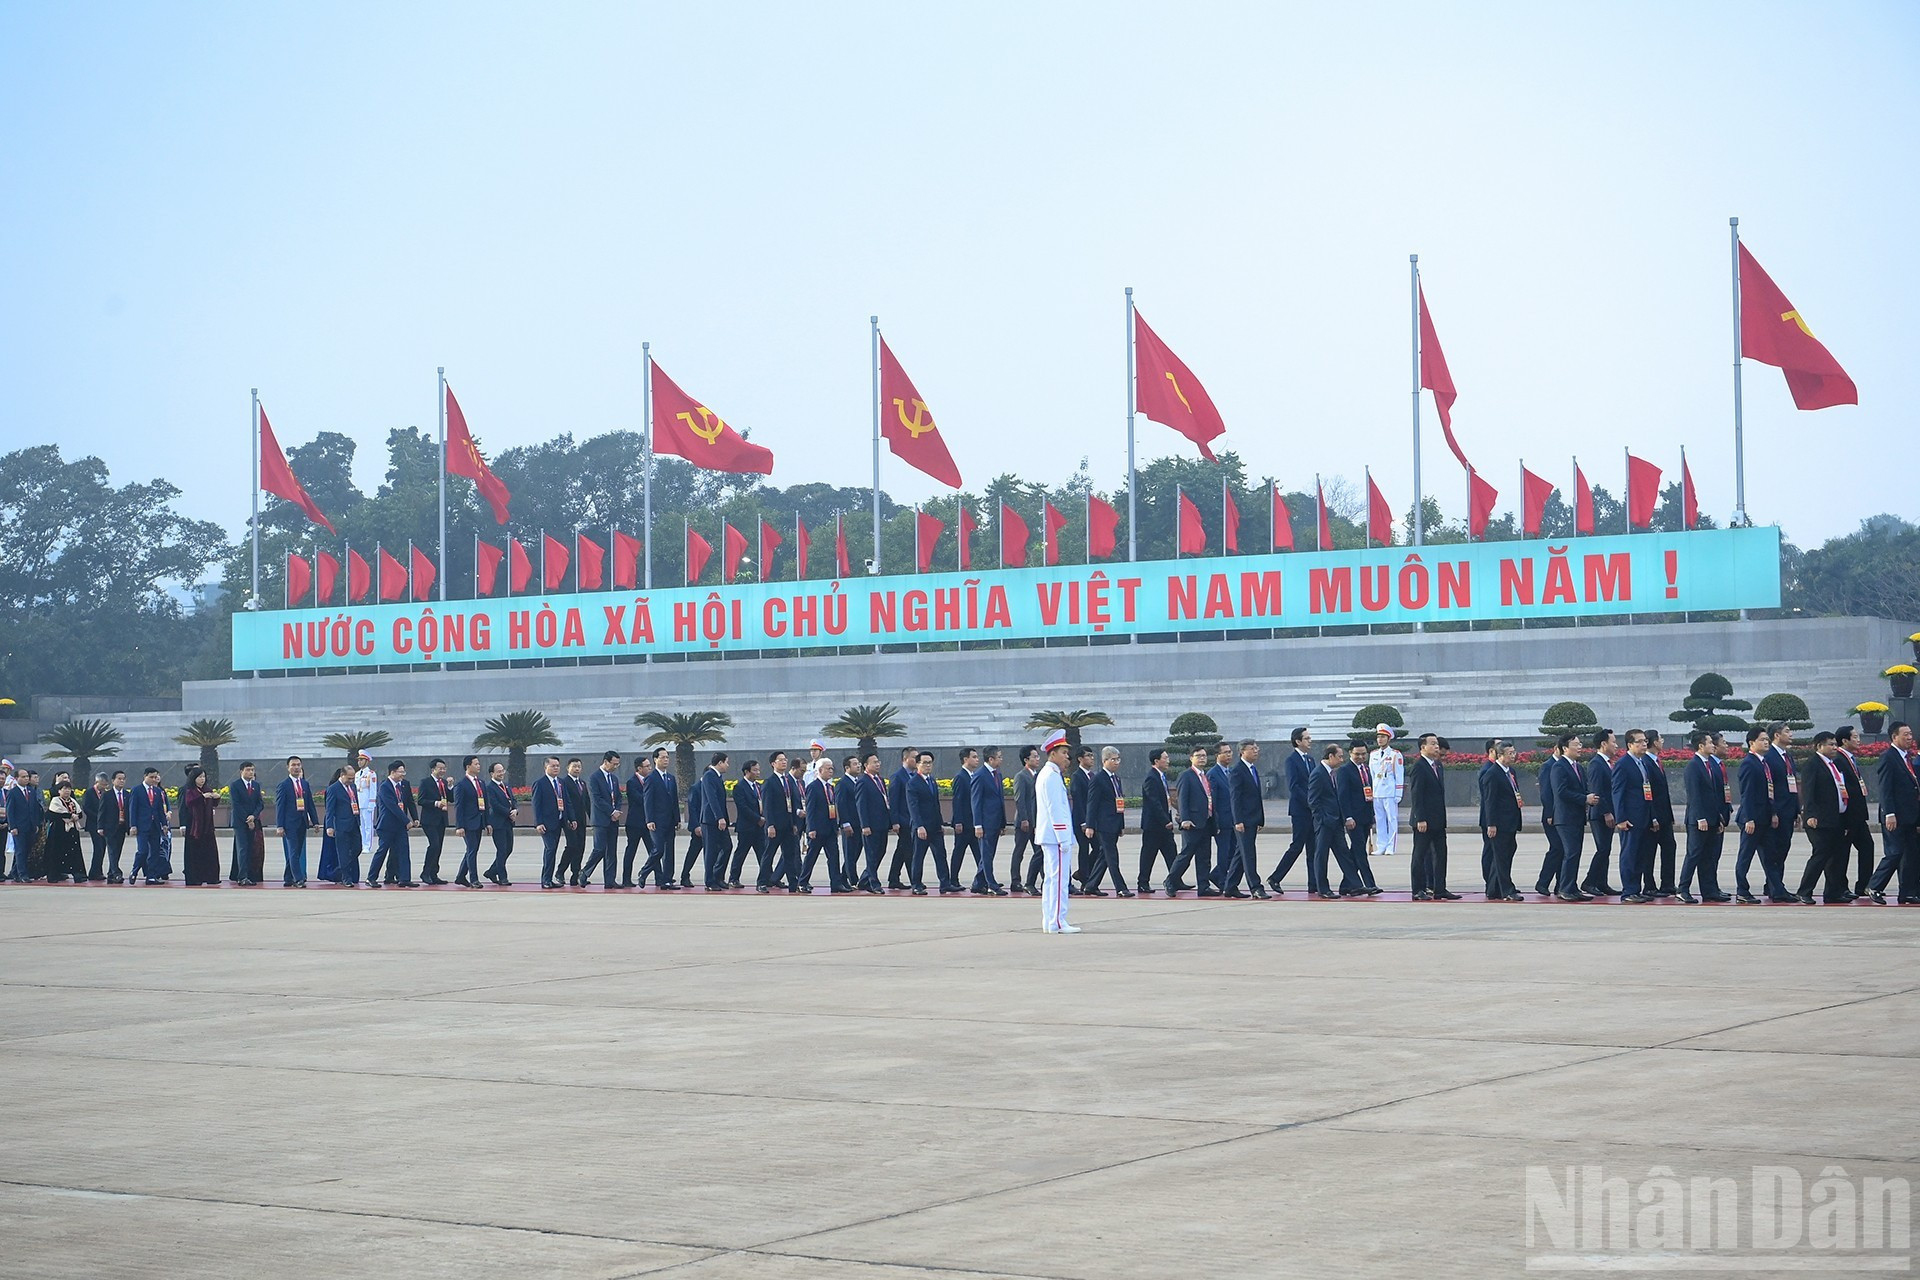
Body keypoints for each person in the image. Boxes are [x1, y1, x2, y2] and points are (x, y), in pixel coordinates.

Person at [1796, 731, 1851, 904]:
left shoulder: (1833, 764)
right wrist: (1810, 814)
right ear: (1819, 746)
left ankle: (1833, 893)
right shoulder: (1813, 764)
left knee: (1836, 856)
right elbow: (1809, 791)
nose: (1835, 747)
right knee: (1820, 855)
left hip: (1835, 818)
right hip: (1819, 820)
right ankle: (1804, 890)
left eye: (1835, 744)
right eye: (1831, 744)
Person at [1866, 721, 1918, 904]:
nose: (1910, 737)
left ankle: (1908, 892)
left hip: (1910, 816)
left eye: (1910, 734)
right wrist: (1889, 814)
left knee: (1911, 854)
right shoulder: (1889, 757)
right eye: (1905, 734)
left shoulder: (1907, 757)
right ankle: (1874, 886)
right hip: (1895, 816)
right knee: (1895, 852)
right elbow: (1885, 788)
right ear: (1894, 737)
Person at [1679, 729, 1732, 903]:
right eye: (1709, 743)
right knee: (1694, 854)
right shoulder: (1693, 766)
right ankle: (1683, 889)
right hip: (1699, 820)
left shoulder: (1711, 766)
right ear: (1701, 746)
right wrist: (1700, 817)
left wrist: (1719, 818)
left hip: (1713, 819)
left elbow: (1715, 795)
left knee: (1709, 856)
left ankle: (1709, 890)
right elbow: (1694, 795)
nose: (1712, 745)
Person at [1033, 731, 1077, 932]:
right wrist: (1063, 837)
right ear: (1052, 754)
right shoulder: (1050, 776)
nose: (1067, 757)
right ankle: (1057, 921)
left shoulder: (1048, 774)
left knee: (1052, 879)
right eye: (1064, 753)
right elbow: (1055, 809)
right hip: (1055, 836)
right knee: (1058, 881)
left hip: (1051, 835)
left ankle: (1051, 920)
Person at [1407, 733, 1454, 900]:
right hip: (1423, 821)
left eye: (1436, 744)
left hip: (1438, 820)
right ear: (1422, 747)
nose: (1436, 746)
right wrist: (1420, 818)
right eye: (1432, 744)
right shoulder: (1419, 767)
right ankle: (1418, 890)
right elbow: (1417, 795)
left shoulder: (1437, 765)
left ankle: (1440, 888)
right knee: (1419, 855)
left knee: (1441, 854)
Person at [1731, 726, 1776, 903]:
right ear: (1752, 743)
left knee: (1770, 857)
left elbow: (1768, 792)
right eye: (1763, 739)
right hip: (1752, 819)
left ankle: (1777, 889)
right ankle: (1742, 891)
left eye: (1767, 740)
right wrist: (1749, 818)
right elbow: (1747, 794)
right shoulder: (1749, 763)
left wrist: (1773, 813)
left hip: (1764, 818)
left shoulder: (1763, 763)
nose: (1767, 742)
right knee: (1745, 856)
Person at [1610, 730, 1655, 904]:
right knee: (1629, 854)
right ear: (1630, 745)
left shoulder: (1642, 763)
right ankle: (1628, 891)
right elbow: (1617, 792)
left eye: (1645, 741)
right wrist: (1620, 818)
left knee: (1640, 855)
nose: (1644, 744)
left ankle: (1636, 889)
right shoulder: (1623, 764)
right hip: (1630, 818)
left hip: (1643, 816)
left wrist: (1652, 816)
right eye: (1640, 742)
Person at [1833, 726, 1876, 897]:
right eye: (1855, 737)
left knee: (1867, 846)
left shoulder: (1850, 758)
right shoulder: (1838, 759)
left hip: (1858, 816)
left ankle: (1863, 885)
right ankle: (1841, 887)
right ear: (1845, 740)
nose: (1859, 740)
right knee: (1843, 852)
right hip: (1847, 816)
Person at [1169, 745, 1216, 896]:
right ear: (1191, 758)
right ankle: (1170, 881)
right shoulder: (1186, 775)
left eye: (1204, 755)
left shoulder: (1205, 775)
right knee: (1186, 855)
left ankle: (1204, 887)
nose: (1202, 758)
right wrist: (1185, 819)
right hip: (1192, 823)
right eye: (1198, 755)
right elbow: (1182, 799)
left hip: (1206, 821)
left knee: (1204, 856)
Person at [1335, 743, 1381, 895]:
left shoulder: (1366, 769)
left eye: (1363, 754)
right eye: (1357, 754)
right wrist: (1347, 817)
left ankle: (1346, 885)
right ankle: (1370, 884)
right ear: (1350, 753)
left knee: (1355, 851)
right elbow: (1343, 796)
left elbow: (1368, 793)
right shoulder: (1344, 771)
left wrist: (1372, 814)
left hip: (1365, 817)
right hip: (1353, 819)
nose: (1361, 757)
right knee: (1360, 852)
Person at [1271, 727, 1314, 891]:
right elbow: (1294, 786)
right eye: (1307, 738)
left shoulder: (1310, 760)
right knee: (1297, 846)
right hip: (1300, 810)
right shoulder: (1291, 760)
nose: (1310, 741)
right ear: (1298, 741)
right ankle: (1276, 877)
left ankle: (1314, 883)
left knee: (1314, 848)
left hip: (1312, 810)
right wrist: (1309, 802)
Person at [1478, 742, 1523, 901]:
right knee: (1501, 856)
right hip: (1499, 822)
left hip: (1510, 820)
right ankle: (1507, 890)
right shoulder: (1492, 774)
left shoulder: (1510, 772)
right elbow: (1489, 801)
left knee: (1508, 851)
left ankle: (1493, 888)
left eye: (1513, 752)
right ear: (1500, 755)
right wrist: (1491, 824)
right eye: (1509, 753)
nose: (1513, 755)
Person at [1762, 723, 1801, 903]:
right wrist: (1773, 812)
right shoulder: (1769, 757)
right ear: (1777, 735)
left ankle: (1773, 884)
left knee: (1783, 850)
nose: (1791, 734)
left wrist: (1797, 809)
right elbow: (1769, 787)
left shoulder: (1787, 756)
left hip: (1789, 811)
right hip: (1777, 812)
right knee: (1774, 852)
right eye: (1787, 731)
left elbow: (1792, 785)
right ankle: (1777, 889)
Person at [1228, 739, 1270, 899]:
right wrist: (1238, 820)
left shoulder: (1252, 769)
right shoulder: (1237, 771)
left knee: (1241, 853)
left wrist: (1260, 819)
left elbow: (1256, 797)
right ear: (1242, 752)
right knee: (1249, 854)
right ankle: (1255, 887)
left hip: (1253, 819)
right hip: (1243, 821)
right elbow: (1235, 798)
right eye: (1252, 749)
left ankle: (1230, 886)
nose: (1256, 751)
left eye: (1257, 748)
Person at [1581, 730, 1620, 897]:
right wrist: (1606, 812)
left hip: (1608, 812)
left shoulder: (1608, 763)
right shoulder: (1596, 764)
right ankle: (1589, 882)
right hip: (1600, 814)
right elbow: (1597, 791)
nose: (1616, 745)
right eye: (1613, 742)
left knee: (1606, 849)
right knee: (1603, 849)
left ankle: (1602, 883)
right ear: (1604, 744)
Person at [1305, 744, 1347, 899]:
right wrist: (1322, 818)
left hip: (1335, 821)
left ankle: (1354, 884)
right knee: (1321, 855)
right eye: (1340, 756)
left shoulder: (1331, 773)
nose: (1342, 760)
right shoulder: (1318, 773)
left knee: (1344, 853)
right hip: (1325, 822)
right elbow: (1313, 800)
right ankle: (1322, 888)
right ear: (1330, 756)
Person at [906, 751, 949, 895]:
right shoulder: (913, 783)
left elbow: (936, 804)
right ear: (917, 764)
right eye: (925, 762)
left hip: (935, 826)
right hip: (922, 827)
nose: (928, 765)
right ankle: (916, 884)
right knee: (918, 856)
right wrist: (919, 826)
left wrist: (940, 823)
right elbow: (913, 807)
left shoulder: (932, 781)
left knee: (941, 855)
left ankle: (945, 884)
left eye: (930, 762)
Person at [801, 756, 846, 893]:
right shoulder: (813, 787)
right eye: (828, 768)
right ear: (820, 770)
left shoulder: (830, 787)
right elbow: (810, 809)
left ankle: (836, 883)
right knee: (811, 857)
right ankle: (802, 882)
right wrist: (811, 828)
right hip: (818, 829)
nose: (831, 771)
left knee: (834, 857)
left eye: (832, 768)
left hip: (830, 828)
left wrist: (836, 825)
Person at [369, 759, 416, 887]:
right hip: (387, 825)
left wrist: (413, 818)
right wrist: (407, 821)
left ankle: (405, 878)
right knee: (382, 851)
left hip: (400, 826)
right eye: (401, 772)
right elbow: (392, 806)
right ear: (393, 772)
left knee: (403, 851)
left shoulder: (403, 785)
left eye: (404, 772)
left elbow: (408, 803)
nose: (403, 774)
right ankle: (371, 877)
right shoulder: (385, 786)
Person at [1642, 730, 1678, 898]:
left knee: (1670, 847)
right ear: (1655, 742)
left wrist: (1669, 816)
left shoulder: (1656, 761)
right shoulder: (1645, 763)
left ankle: (1668, 884)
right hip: (1653, 816)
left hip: (1664, 816)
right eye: (1661, 738)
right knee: (1649, 852)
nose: (1663, 741)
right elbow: (1648, 794)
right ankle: (1649, 885)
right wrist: (1653, 816)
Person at [760, 751, 801, 894]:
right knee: (768, 854)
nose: (784, 762)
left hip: (788, 825)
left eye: (785, 760)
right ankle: (762, 882)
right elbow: (767, 806)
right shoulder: (769, 782)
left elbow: (794, 803)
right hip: (775, 826)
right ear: (773, 764)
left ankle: (793, 884)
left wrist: (795, 823)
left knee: (790, 855)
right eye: (781, 760)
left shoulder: (789, 781)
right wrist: (770, 825)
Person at [581, 751, 623, 889]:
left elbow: (618, 796)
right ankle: (584, 872)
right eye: (614, 764)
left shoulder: (614, 779)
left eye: (618, 764)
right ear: (606, 762)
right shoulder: (594, 777)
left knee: (611, 851)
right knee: (599, 849)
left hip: (613, 819)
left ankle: (610, 880)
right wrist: (611, 811)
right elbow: (596, 799)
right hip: (600, 820)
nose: (616, 766)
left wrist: (616, 810)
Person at [1137, 749, 1176, 895]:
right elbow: (1154, 802)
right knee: (1149, 854)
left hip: (1164, 824)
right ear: (1156, 761)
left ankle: (1175, 879)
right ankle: (1142, 883)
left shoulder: (1161, 776)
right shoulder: (1151, 778)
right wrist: (1165, 820)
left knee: (1171, 853)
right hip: (1154, 825)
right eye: (1165, 758)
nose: (1168, 760)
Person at [274, 757, 318, 887]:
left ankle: (288, 877)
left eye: (298, 765)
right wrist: (280, 825)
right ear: (288, 767)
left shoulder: (304, 784)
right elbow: (280, 807)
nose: (296, 767)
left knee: (297, 852)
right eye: (293, 765)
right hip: (289, 824)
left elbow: (310, 803)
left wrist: (315, 821)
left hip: (302, 822)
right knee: (293, 851)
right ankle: (298, 878)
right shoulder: (284, 785)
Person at [643, 748, 682, 890]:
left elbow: (674, 800)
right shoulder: (651, 778)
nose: (666, 760)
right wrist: (649, 820)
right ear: (655, 759)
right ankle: (644, 872)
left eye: (667, 757)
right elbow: (648, 801)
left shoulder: (671, 778)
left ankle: (667, 880)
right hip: (657, 821)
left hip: (670, 821)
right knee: (658, 850)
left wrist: (677, 819)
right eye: (663, 757)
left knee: (669, 851)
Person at [971, 747, 1008, 895]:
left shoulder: (997, 774)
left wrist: (1002, 822)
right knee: (986, 855)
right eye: (999, 757)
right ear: (991, 759)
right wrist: (978, 824)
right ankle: (991, 883)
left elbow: (1000, 800)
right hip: (985, 823)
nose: (1001, 759)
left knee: (989, 854)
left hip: (995, 822)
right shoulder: (980, 775)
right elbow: (976, 802)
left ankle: (978, 883)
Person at [177, 766, 221, 886]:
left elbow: (213, 804)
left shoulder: (207, 789)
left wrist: (216, 798)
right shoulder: (189, 790)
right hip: (194, 827)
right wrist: (202, 797)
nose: (202, 779)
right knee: (194, 854)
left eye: (203, 777)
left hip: (207, 826)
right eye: (200, 777)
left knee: (209, 852)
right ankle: (195, 878)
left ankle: (211, 877)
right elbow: (189, 802)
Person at [128, 766, 171, 884]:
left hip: (155, 826)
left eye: (155, 777)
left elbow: (159, 810)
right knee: (143, 851)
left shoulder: (157, 791)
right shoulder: (137, 790)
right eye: (151, 777)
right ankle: (134, 871)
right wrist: (133, 825)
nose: (153, 779)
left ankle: (151, 876)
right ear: (145, 776)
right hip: (142, 826)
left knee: (155, 851)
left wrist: (164, 824)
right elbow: (133, 808)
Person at [729, 759, 767, 890]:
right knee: (741, 853)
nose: (758, 772)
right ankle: (733, 878)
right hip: (747, 827)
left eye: (758, 769)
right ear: (747, 772)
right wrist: (758, 819)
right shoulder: (739, 787)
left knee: (763, 853)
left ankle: (765, 878)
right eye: (755, 770)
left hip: (760, 827)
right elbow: (743, 807)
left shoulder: (758, 786)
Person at [697, 752, 732, 891]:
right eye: (726, 762)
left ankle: (718, 876)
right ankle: (709, 881)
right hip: (711, 821)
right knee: (710, 851)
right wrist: (719, 817)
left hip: (719, 820)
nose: (728, 765)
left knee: (727, 846)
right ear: (720, 763)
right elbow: (712, 799)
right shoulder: (709, 776)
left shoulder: (718, 777)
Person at [947, 748, 981, 891]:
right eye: (974, 757)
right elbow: (958, 801)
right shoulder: (961, 777)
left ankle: (982, 880)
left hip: (973, 823)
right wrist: (958, 821)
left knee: (980, 853)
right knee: (959, 852)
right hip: (964, 824)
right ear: (966, 759)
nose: (977, 759)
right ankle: (953, 880)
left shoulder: (973, 775)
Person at [856, 754, 891, 893]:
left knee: (880, 852)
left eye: (878, 762)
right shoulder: (863, 781)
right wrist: (864, 825)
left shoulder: (880, 780)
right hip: (870, 825)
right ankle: (873, 883)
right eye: (874, 762)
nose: (878, 764)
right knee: (871, 854)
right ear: (866, 765)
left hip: (882, 823)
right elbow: (861, 805)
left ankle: (864, 879)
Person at [1368, 725, 1403, 859]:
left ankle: (1390, 846)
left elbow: (1399, 774)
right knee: (1380, 820)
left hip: (1390, 791)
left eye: (1383, 737)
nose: (1380, 740)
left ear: (1389, 738)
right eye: (1378, 737)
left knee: (1391, 819)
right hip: (1377, 792)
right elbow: (1372, 774)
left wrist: (1398, 793)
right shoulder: (1373, 755)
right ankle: (1381, 845)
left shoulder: (1395, 754)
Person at [1208, 741, 1238, 893]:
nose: (1229, 755)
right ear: (1217, 755)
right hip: (1222, 821)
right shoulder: (1213, 774)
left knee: (1233, 852)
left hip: (1234, 820)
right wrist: (1216, 822)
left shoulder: (1231, 772)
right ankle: (1221, 880)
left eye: (1230, 752)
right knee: (1224, 851)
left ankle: (1215, 874)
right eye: (1225, 752)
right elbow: (1213, 800)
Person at [324, 765, 363, 886]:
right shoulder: (333, 789)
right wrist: (329, 826)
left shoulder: (353, 787)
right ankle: (346, 878)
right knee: (343, 852)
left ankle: (339, 870)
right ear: (342, 775)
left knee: (357, 848)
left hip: (354, 823)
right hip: (341, 825)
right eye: (349, 778)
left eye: (353, 778)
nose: (351, 781)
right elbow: (329, 809)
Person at [533, 756, 568, 889]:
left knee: (553, 851)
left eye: (557, 765)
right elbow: (536, 805)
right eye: (553, 766)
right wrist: (538, 822)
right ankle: (545, 879)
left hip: (558, 822)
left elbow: (566, 801)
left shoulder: (560, 782)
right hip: (546, 824)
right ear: (545, 767)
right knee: (550, 849)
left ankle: (549, 878)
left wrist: (569, 818)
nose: (556, 768)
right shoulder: (540, 783)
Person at [417, 759, 454, 886]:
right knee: (434, 845)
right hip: (429, 820)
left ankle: (434, 873)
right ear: (433, 769)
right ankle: (425, 872)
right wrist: (435, 803)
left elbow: (451, 798)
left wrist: (450, 787)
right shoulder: (425, 782)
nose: (443, 771)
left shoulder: (443, 782)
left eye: (444, 768)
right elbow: (421, 800)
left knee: (439, 847)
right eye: (440, 768)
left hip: (441, 819)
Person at [453, 756, 487, 888]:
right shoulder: (461, 785)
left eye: (479, 763)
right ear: (468, 766)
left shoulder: (481, 783)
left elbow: (486, 803)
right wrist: (459, 826)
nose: (479, 766)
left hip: (479, 821)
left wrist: (487, 822)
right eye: (476, 764)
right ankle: (474, 879)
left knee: (472, 849)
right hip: (468, 823)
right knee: (472, 850)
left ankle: (461, 876)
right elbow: (459, 807)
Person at [480, 762, 517, 885]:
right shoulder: (489, 788)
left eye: (502, 770)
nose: (501, 773)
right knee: (501, 850)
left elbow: (513, 800)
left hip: (508, 822)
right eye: (499, 771)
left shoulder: (505, 786)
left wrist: (515, 810)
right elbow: (494, 805)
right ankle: (502, 877)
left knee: (508, 849)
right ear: (492, 773)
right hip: (498, 823)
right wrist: (508, 812)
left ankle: (491, 871)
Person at [885, 746, 917, 891]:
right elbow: (894, 800)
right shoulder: (898, 776)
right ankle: (914, 879)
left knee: (902, 850)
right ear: (905, 759)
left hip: (912, 819)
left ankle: (893, 878)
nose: (917, 760)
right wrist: (895, 821)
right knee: (909, 850)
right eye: (914, 757)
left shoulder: (915, 775)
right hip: (903, 820)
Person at [228, 762, 265, 886]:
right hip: (240, 822)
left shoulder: (256, 785)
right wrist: (247, 819)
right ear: (241, 771)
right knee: (242, 848)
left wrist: (253, 816)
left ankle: (249, 875)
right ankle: (242, 876)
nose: (250, 772)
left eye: (252, 770)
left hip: (253, 821)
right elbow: (236, 804)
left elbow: (260, 803)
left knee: (250, 849)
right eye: (248, 770)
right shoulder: (235, 785)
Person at [43, 779, 85, 883]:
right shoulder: (56, 800)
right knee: (56, 852)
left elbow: (80, 813)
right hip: (58, 831)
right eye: (64, 789)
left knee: (73, 852)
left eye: (69, 789)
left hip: (71, 831)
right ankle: (54, 874)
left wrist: (74, 816)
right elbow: (54, 814)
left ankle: (77, 874)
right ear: (59, 791)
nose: (67, 791)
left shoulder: (72, 801)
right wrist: (70, 816)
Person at [621, 754, 653, 888]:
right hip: (635, 823)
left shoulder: (651, 780)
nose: (650, 768)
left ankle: (660, 876)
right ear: (639, 769)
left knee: (653, 850)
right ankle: (626, 879)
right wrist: (652, 797)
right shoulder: (632, 782)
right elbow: (639, 799)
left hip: (648, 823)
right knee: (631, 851)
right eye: (647, 766)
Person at [1010, 746, 1038, 895]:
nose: (1037, 759)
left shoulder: (1038, 775)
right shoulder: (1021, 776)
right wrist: (1024, 819)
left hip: (1037, 822)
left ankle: (1040, 878)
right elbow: (1019, 799)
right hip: (1024, 822)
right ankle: (1015, 880)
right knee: (1019, 851)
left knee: (1039, 852)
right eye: (1034, 756)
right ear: (1026, 760)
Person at [1068, 746, 1096, 892]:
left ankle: (1082, 872)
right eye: (1088, 756)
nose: (1091, 758)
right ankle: (1085, 879)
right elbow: (1078, 801)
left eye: (1092, 755)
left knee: (1098, 849)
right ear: (1080, 759)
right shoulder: (1077, 776)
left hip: (1093, 820)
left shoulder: (1092, 775)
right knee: (1084, 849)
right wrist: (1084, 822)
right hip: (1081, 821)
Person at [836, 753, 864, 890]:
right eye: (854, 764)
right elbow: (841, 805)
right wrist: (845, 823)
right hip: (850, 824)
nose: (858, 765)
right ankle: (854, 880)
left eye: (858, 763)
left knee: (856, 852)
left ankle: (843, 877)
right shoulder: (842, 783)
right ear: (847, 768)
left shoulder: (858, 781)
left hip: (860, 823)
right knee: (850, 853)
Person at [559, 757, 588, 887]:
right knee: (572, 846)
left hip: (581, 820)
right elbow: (566, 802)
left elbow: (587, 802)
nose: (577, 769)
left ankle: (575, 875)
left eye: (579, 767)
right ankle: (560, 872)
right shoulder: (564, 783)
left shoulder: (582, 783)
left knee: (580, 847)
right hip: (570, 820)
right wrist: (570, 818)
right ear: (568, 768)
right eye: (574, 766)